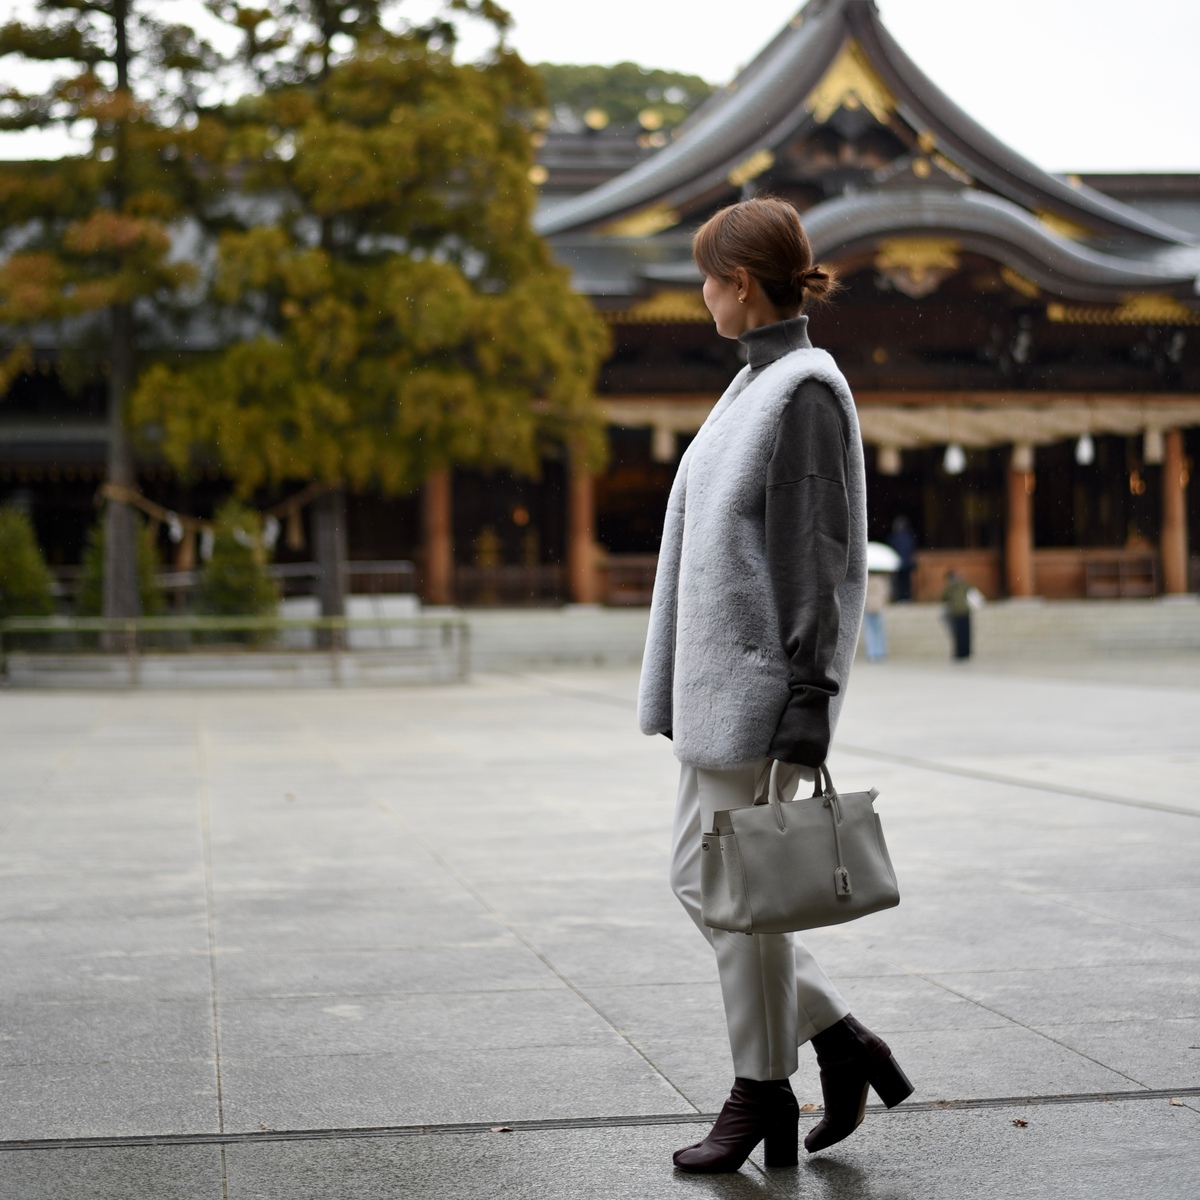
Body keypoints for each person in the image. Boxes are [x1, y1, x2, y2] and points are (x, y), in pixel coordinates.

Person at [638, 197, 912, 1176]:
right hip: (718, 692)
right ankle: (839, 1040)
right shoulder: (753, 383)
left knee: (737, 900)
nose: (700, 294)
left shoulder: (802, 389)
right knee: (704, 882)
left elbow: (817, 557)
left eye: (707, 277)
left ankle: (761, 1093)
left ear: (740, 283)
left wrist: (809, 702)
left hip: (758, 693)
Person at [941, 569, 972, 659]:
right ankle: (961, 653)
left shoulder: (961, 585)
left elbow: (970, 589)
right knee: (959, 634)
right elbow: (943, 597)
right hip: (957, 613)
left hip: (963, 612)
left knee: (965, 634)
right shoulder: (950, 587)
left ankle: (965, 653)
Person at [887, 515, 917, 602]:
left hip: (898, 564)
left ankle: (900, 598)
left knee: (899, 582)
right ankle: (907, 597)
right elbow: (913, 548)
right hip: (908, 563)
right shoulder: (910, 537)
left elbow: (891, 550)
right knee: (907, 581)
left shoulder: (893, 538)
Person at [863, 571, 890, 661]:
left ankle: (872, 652)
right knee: (879, 631)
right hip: (878, 607)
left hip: (869, 607)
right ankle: (880, 651)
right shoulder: (881, 582)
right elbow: (885, 594)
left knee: (870, 631)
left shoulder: (866, 581)